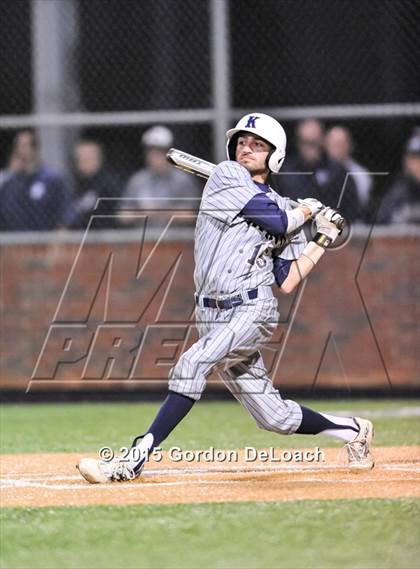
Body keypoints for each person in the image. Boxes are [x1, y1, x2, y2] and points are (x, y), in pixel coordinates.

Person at [77, 112, 374, 484]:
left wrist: (321, 239)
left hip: (253, 310)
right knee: (274, 417)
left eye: (257, 144)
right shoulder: (228, 176)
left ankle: (132, 460)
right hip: (210, 314)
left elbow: (288, 280)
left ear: (275, 155)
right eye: (241, 141)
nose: (245, 147)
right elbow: (279, 222)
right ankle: (353, 430)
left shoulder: (286, 210)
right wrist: (309, 210)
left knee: (191, 364)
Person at [274, 119, 361, 222]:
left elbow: (352, 209)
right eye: (305, 142)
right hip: (294, 228)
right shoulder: (286, 171)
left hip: (330, 230)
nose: (309, 148)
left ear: (322, 140)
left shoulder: (337, 170)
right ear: (297, 142)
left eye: (313, 142)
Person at [118, 126, 201, 227]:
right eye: (151, 151)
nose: (155, 156)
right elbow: (123, 216)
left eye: (161, 151)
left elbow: (193, 215)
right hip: (143, 239)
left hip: (176, 239)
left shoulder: (182, 180)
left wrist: (161, 211)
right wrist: (142, 212)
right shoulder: (138, 180)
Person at [0, 130, 72, 231]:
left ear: (36, 148)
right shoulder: (9, 183)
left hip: (43, 242)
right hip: (14, 242)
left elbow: (64, 217)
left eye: (26, 145)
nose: (21, 150)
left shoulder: (53, 180)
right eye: (18, 146)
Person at [67, 139, 123, 230]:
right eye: (79, 158)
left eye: (87, 158)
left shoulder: (109, 184)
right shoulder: (74, 184)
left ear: (98, 159)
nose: (82, 162)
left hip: (104, 238)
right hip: (79, 238)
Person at [325, 125, 373, 216]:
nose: (337, 148)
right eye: (334, 144)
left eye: (341, 144)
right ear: (325, 145)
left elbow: (362, 205)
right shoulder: (317, 170)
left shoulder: (360, 174)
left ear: (350, 145)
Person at [376, 129, 420, 224]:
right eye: (415, 158)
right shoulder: (397, 193)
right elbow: (380, 224)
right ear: (407, 162)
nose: (418, 164)